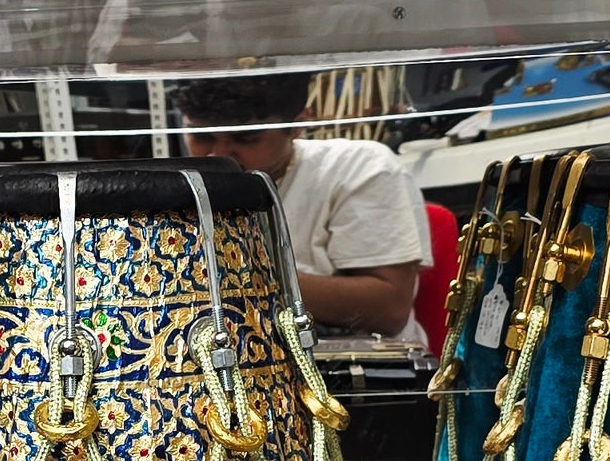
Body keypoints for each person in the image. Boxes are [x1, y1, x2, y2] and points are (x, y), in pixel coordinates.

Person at [179, 71, 429, 347]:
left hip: (356, 362)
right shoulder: (181, 187)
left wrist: (225, 277)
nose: (218, 154)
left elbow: (389, 310)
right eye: (201, 136)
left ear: (298, 124)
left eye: (246, 138)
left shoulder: (361, 169)